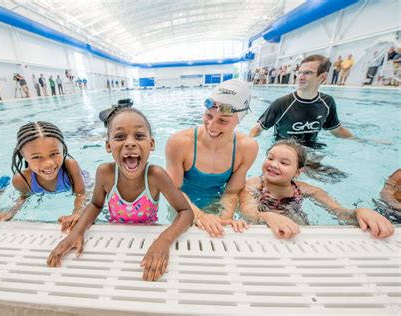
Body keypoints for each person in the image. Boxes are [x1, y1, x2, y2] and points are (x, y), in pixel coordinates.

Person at [47, 108, 194, 282]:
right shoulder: (105, 173)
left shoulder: (156, 175)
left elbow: (185, 212)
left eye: (139, 136)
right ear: (108, 146)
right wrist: (77, 231)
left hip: (146, 232)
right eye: (120, 137)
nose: (130, 143)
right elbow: (96, 204)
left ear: (151, 144)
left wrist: (164, 241)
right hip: (114, 226)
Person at [239, 140, 394, 239]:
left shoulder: (306, 190)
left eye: (284, 163)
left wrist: (360, 212)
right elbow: (249, 213)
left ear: (298, 172)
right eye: (270, 158)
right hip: (264, 232)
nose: (273, 165)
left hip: (298, 230)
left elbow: (340, 213)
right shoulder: (253, 185)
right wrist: (266, 216)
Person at [166, 79, 258, 237]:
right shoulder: (180, 142)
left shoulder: (247, 148)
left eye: (223, 120)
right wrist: (199, 216)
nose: (211, 126)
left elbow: (231, 192)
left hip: (217, 206)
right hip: (182, 207)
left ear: (239, 120)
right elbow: (172, 190)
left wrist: (224, 220)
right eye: (208, 115)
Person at [0, 122, 90, 231]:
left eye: (54, 154)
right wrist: (8, 213)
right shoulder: (21, 180)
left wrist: (77, 213)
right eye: (36, 157)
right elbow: (23, 197)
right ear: (23, 155)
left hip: (84, 181)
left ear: (62, 148)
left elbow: (81, 194)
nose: (48, 163)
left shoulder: (70, 166)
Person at [250, 54, 354, 147]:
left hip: (312, 149)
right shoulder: (282, 104)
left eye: (307, 73)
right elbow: (257, 129)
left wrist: (360, 141)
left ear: (323, 77)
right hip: (284, 151)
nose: (300, 77)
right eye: (299, 72)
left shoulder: (327, 102)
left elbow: (337, 130)